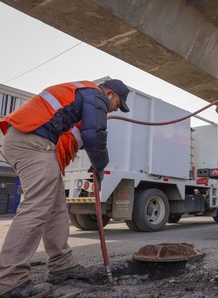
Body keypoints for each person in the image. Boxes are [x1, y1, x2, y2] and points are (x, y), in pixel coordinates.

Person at [0, 79, 130, 297]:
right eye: (118, 102)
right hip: (32, 141)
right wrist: (100, 167)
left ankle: (63, 267)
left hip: (32, 142)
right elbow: (94, 134)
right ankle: (9, 280)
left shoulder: (82, 94)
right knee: (38, 207)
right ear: (109, 94)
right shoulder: (95, 95)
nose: (117, 108)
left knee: (56, 209)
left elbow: (83, 136)